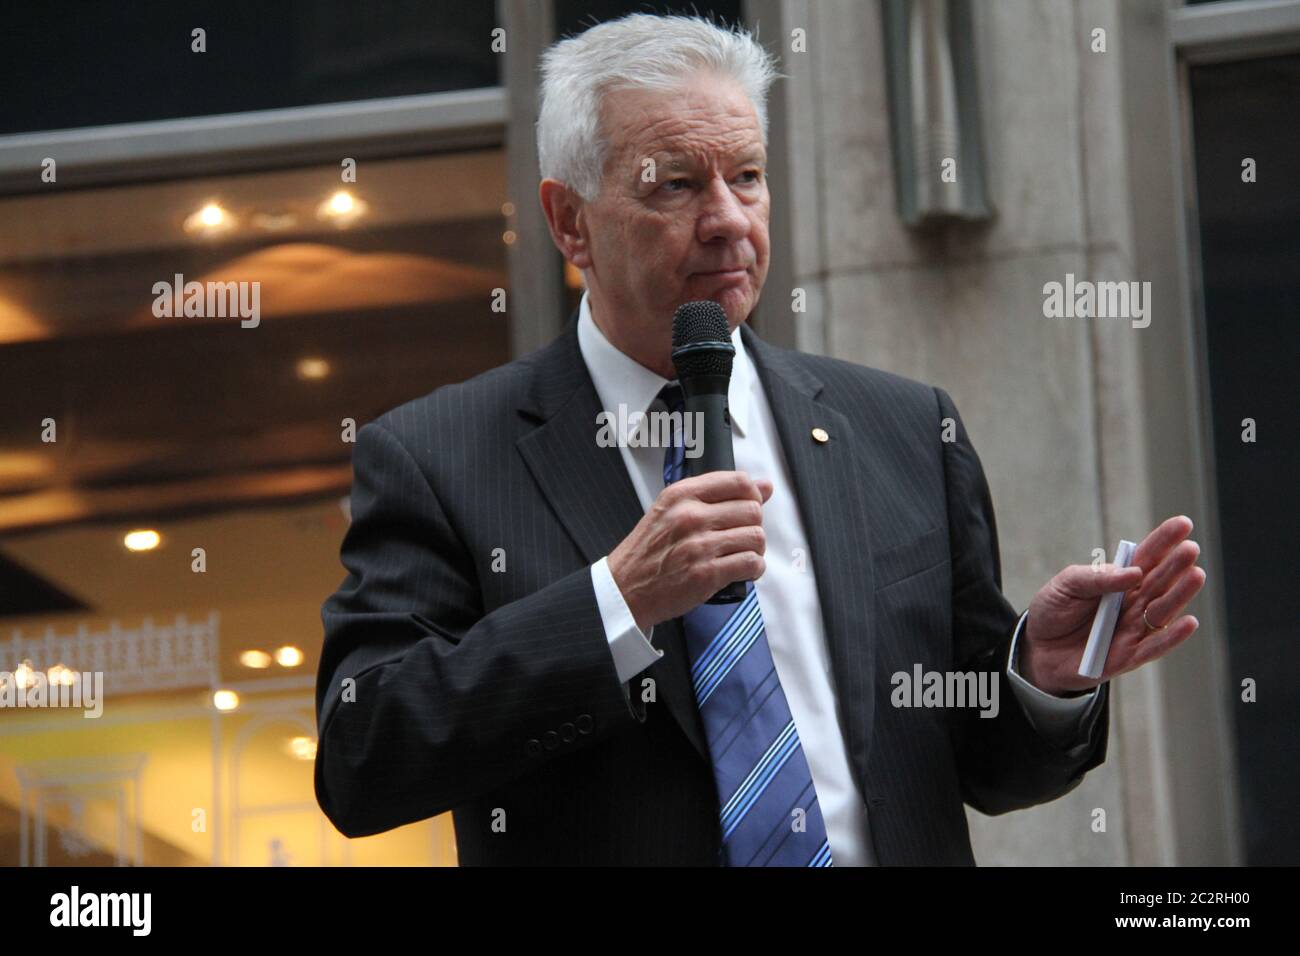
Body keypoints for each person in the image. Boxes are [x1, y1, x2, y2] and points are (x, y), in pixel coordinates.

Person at [313, 14, 1205, 865]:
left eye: (746, 176)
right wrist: (616, 601)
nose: (729, 220)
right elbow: (363, 759)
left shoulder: (901, 428)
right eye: (675, 184)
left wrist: (1037, 677)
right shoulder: (441, 458)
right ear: (568, 220)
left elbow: (985, 765)